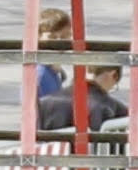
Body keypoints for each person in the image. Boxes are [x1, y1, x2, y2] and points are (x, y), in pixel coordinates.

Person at [29, 9, 126, 148]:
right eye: (53, 37)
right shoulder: (41, 75)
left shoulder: (54, 72)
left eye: (65, 37)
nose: (59, 43)